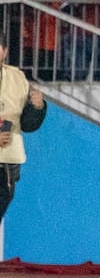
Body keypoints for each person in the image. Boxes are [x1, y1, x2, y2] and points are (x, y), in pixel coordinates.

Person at [0, 33, 48, 221]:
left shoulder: (17, 78)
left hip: (8, 160)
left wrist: (37, 107)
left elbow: (27, 124)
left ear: (4, 52)